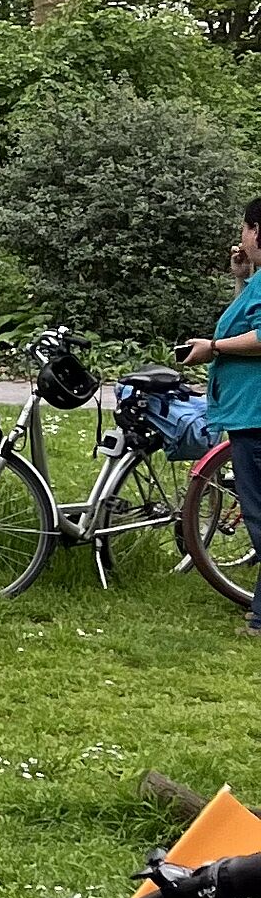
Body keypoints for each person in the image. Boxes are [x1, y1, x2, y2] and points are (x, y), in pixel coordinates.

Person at [183, 193, 261, 640]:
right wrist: (242, 278)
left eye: (245, 228)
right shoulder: (259, 278)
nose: (242, 237)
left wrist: (212, 348)